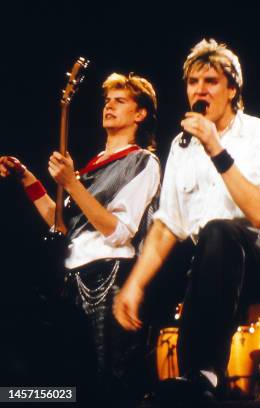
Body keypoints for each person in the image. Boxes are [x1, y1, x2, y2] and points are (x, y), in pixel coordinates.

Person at [113, 38, 260, 402]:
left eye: (210, 81)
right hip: (209, 262)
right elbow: (166, 226)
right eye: (193, 82)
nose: (199, 89)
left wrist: (215, 148)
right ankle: (180, 385)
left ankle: (204, 371)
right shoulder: (181, 147)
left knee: (219, 232)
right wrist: (134, 286)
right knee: (191, 252)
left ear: (232, 89)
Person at [0, 72, 161, 406]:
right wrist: (26, 177)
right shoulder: (90, 168)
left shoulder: (143, 161)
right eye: (107, 100)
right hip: (74, 277)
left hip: (111, 277)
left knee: (108, 382)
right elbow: (61, 222)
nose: (109, 106)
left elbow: (118, 231)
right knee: (69, 383)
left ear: (140, 113)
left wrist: (71, 183)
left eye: (120, 101)